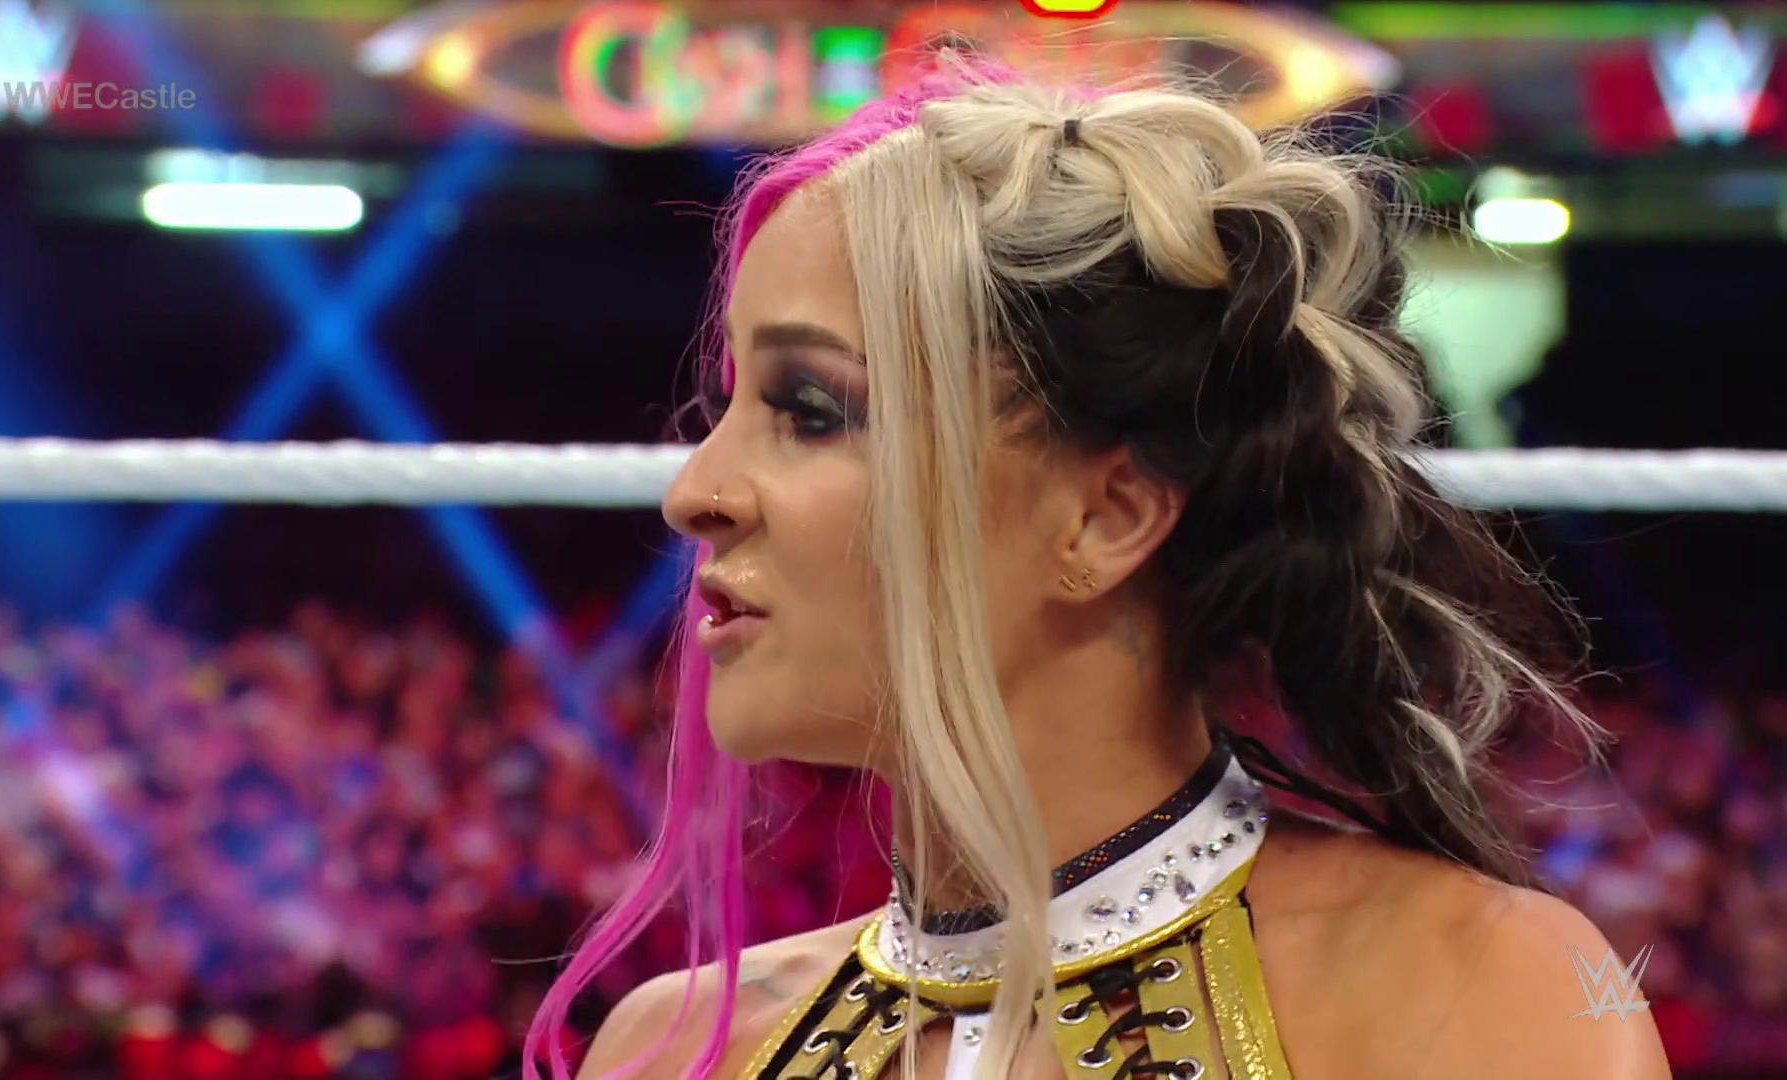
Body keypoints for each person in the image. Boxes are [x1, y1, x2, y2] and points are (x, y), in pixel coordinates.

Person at [526, 59, 1672, 1079]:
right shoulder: (667, 1047)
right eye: (729, 405)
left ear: (1107, 516)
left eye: (812, 410)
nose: (696, 492)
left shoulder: (1474, 992)